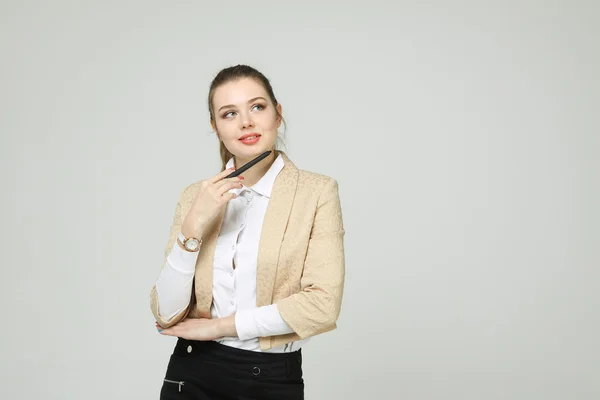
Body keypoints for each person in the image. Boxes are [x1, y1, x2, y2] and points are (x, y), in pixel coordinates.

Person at [150, 64, 345, 399]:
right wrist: (193, 224)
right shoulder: (194, 196)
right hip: (192, 371)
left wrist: (218, 327)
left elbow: (322, 305)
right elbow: (166, 313)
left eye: (257, 107)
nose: (246, 122)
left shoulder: (316, 192)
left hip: (269, 377)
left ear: (277, 114)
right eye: (229, 113)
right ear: (215, 126)